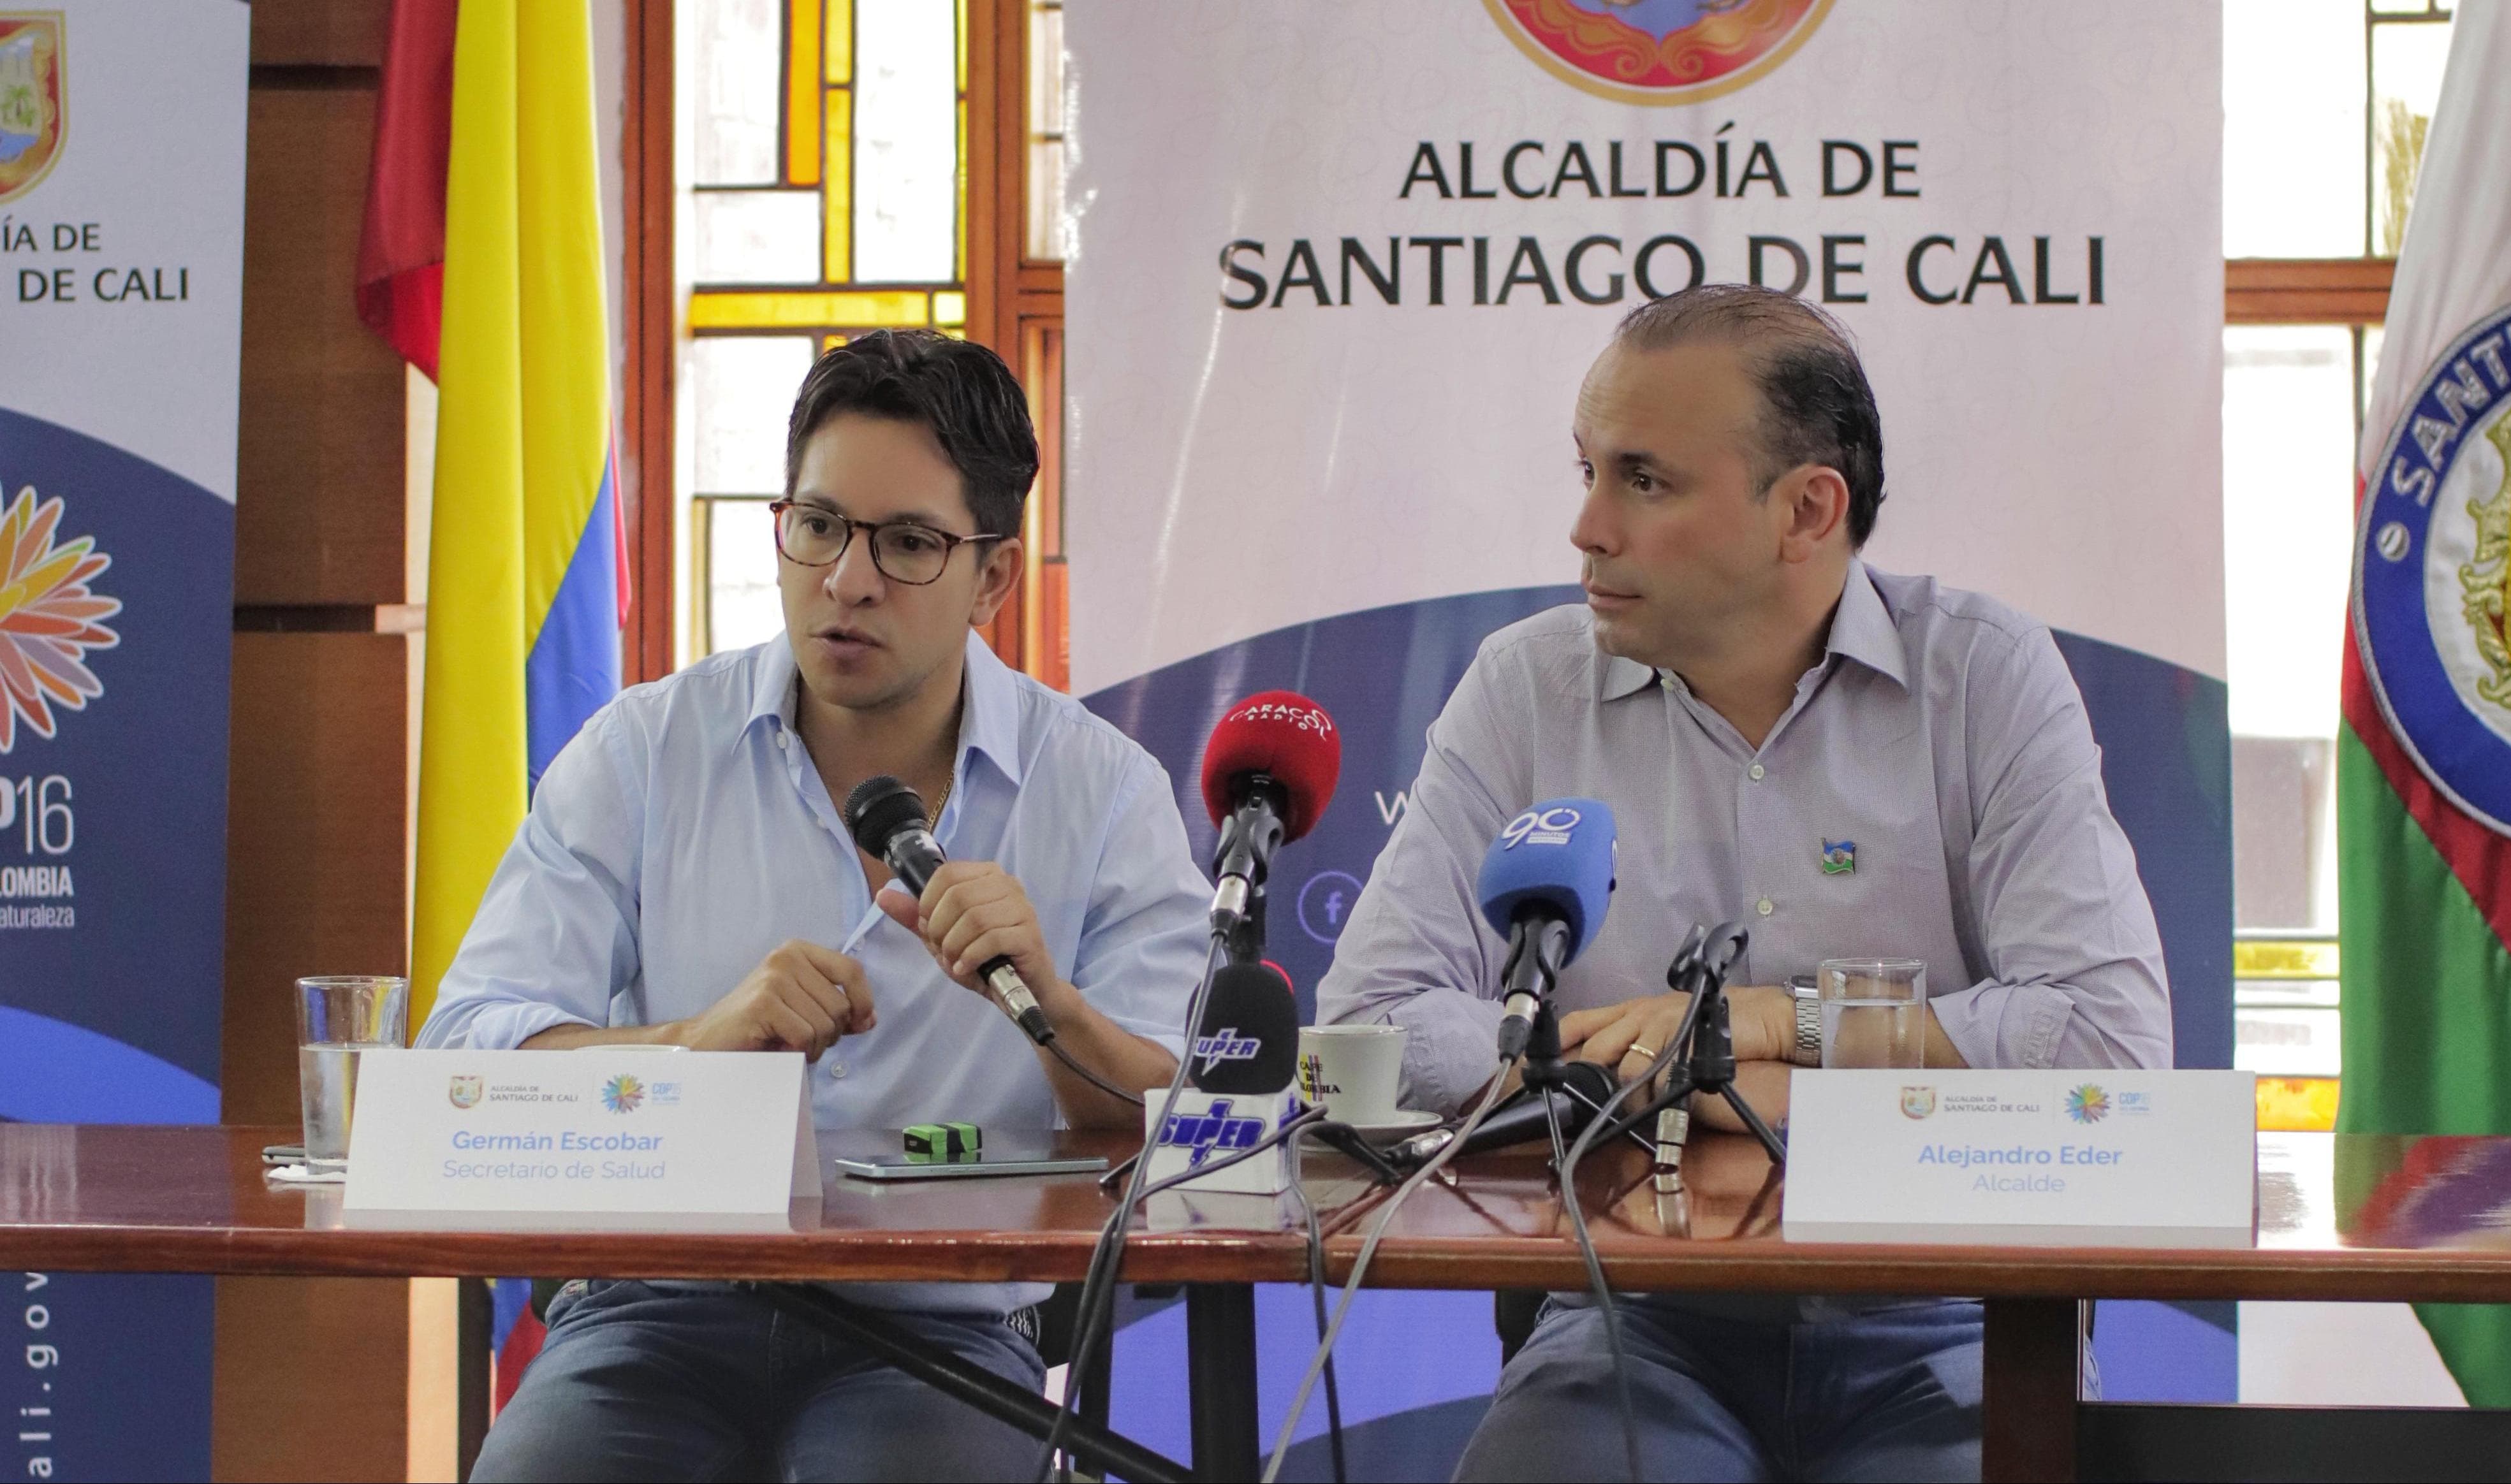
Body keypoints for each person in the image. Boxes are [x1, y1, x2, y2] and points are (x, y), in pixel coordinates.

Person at [1314, 284, 2172, 1483]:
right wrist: (1647, 1067)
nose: (1587, 528)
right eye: (1585, 471)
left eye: (1643, 481)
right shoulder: (1528, 688)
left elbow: (2108, 1049)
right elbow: (1366, 1033)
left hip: (1950, 1320)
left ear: (1805, 510)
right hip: (1632, 1320)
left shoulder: (1981, 678)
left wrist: (1778, 1032)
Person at [418, 330, 1212, 1482]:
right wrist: (695, 1043)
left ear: (994, 575)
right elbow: (463, 1057)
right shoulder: (646, 752)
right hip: (651, 1316)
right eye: (819, 525)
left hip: (940, 1329)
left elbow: (1183, 1128)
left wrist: (1050, 1009)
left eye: (908, 544)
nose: (846, 579)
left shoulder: (1099, 792)